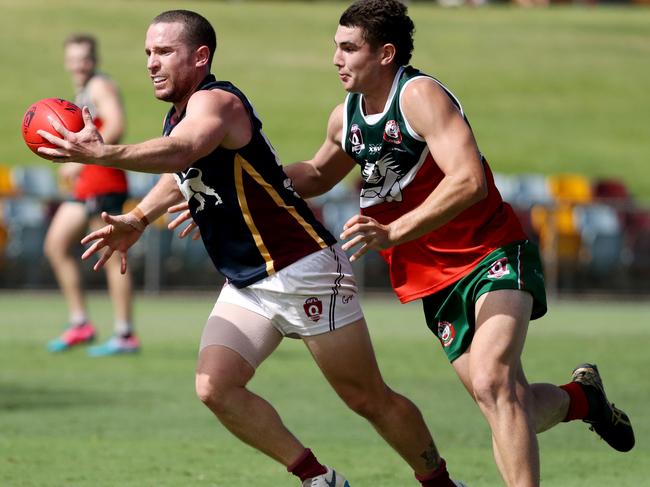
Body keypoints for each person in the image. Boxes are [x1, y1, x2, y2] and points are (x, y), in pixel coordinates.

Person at [37, 10, 467, 487]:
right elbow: (180, 170)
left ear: (200, 57)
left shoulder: (217, 103)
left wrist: (103, 154)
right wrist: (138, 218)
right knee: (215, 386)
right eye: (147, 54)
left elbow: (182, 151)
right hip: (248, 281)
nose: (151, 64)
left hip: (303, 267)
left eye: (163, 52)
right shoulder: (179, 114)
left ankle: (440, 483)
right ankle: (319, 478)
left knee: (367, 399)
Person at [281, 1, 636, 486]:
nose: (336, 59)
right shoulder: (345, 119)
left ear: (385, 54)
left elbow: (468, 180)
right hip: (435, 281)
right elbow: (319, 173)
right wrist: (249, 178)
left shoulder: (420, 96)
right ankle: (583, 399)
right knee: (510, 405)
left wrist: (394, 232)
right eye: (335, 48)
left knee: (494, 383)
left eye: (348, 48)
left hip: (490, 253)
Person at [44, 33, 139, 357]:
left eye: (84, 58)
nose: (78, 64)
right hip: (88, 184)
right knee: (56, 245)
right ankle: (80, 323)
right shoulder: (83, 89)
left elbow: (116, 123)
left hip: (104, 182)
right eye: (73, 58)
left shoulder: (100, 85)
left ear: (94, 60)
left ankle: (125, 334)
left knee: (110, 257)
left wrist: (83, 157)